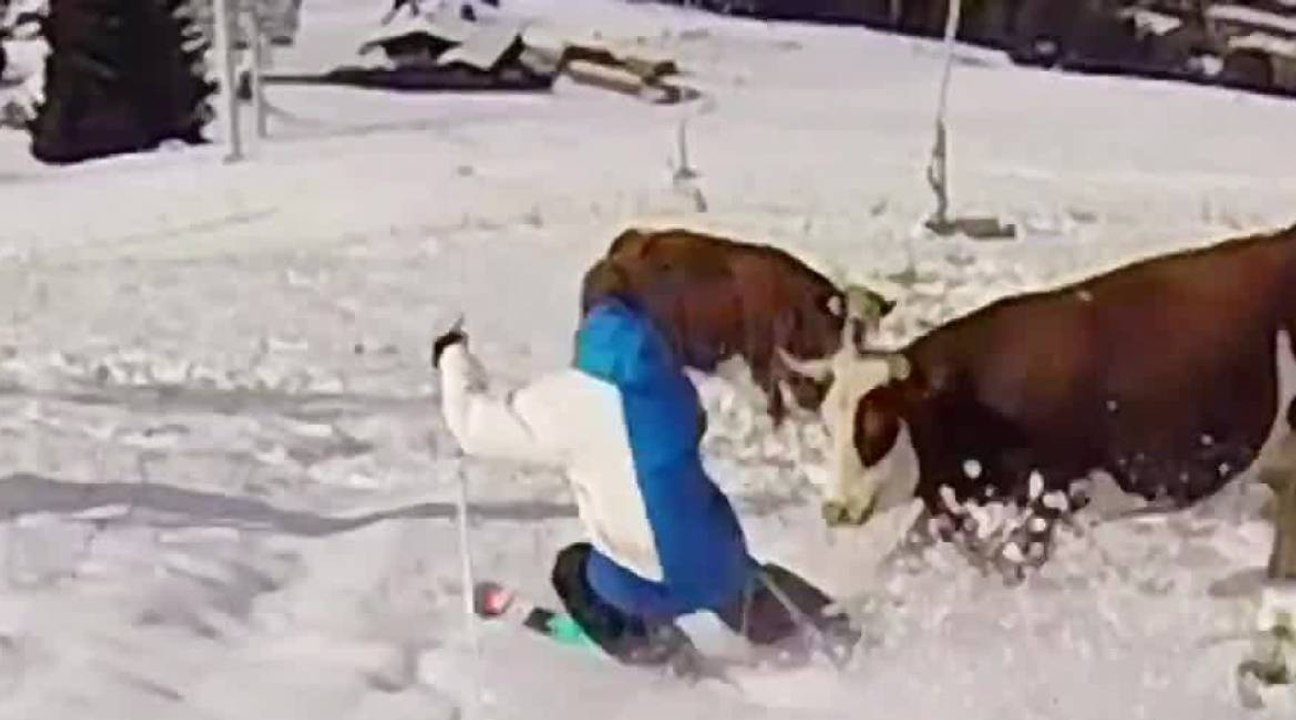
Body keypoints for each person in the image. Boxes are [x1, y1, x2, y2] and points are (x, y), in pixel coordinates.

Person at [431, 293, 858, 666]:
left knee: (574, 569)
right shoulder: (672, 389)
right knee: (741, 582)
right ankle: (839, 633)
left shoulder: (572, 401)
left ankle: (661, 657)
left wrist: (452, 354)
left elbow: (473, 426)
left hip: (641, 580)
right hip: (719, 562)